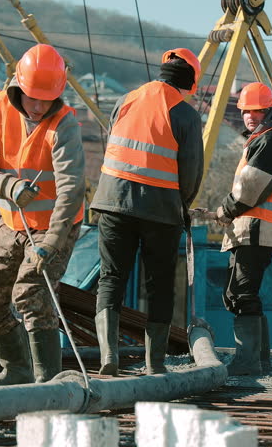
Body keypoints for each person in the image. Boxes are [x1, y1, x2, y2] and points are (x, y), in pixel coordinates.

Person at [0, 44, 86, 388]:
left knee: (31, 292)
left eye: (46, 99)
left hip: (55, 226)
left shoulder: (65, 125)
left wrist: (53, 241)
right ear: (18, 87)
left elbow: (72, 189)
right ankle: (18, 370)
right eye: (32, 97)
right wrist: (9, 186)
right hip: (10, 222)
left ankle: (46, 382)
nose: (38, 106)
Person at [90, 48, 204, 376]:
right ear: (189, 83)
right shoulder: (185, 114)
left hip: (113, 202)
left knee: (111, 278)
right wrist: (183, 203)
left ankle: (107, 357)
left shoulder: (125, 99)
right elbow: (191, 169)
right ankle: (155, 364)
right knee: (159, 283)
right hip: (160, 210)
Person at [204, 82, 272, 376]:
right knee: (240, 294)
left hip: (257, 228)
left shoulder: (271, 141)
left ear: (268, 112)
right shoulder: (261, 141)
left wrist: (223, 210)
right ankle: (258, 361)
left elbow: (250, 188)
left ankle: (248, 362)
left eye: (256, 111)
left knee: (241, 294)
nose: (249, 116)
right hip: (252, 227)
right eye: (245, 111)